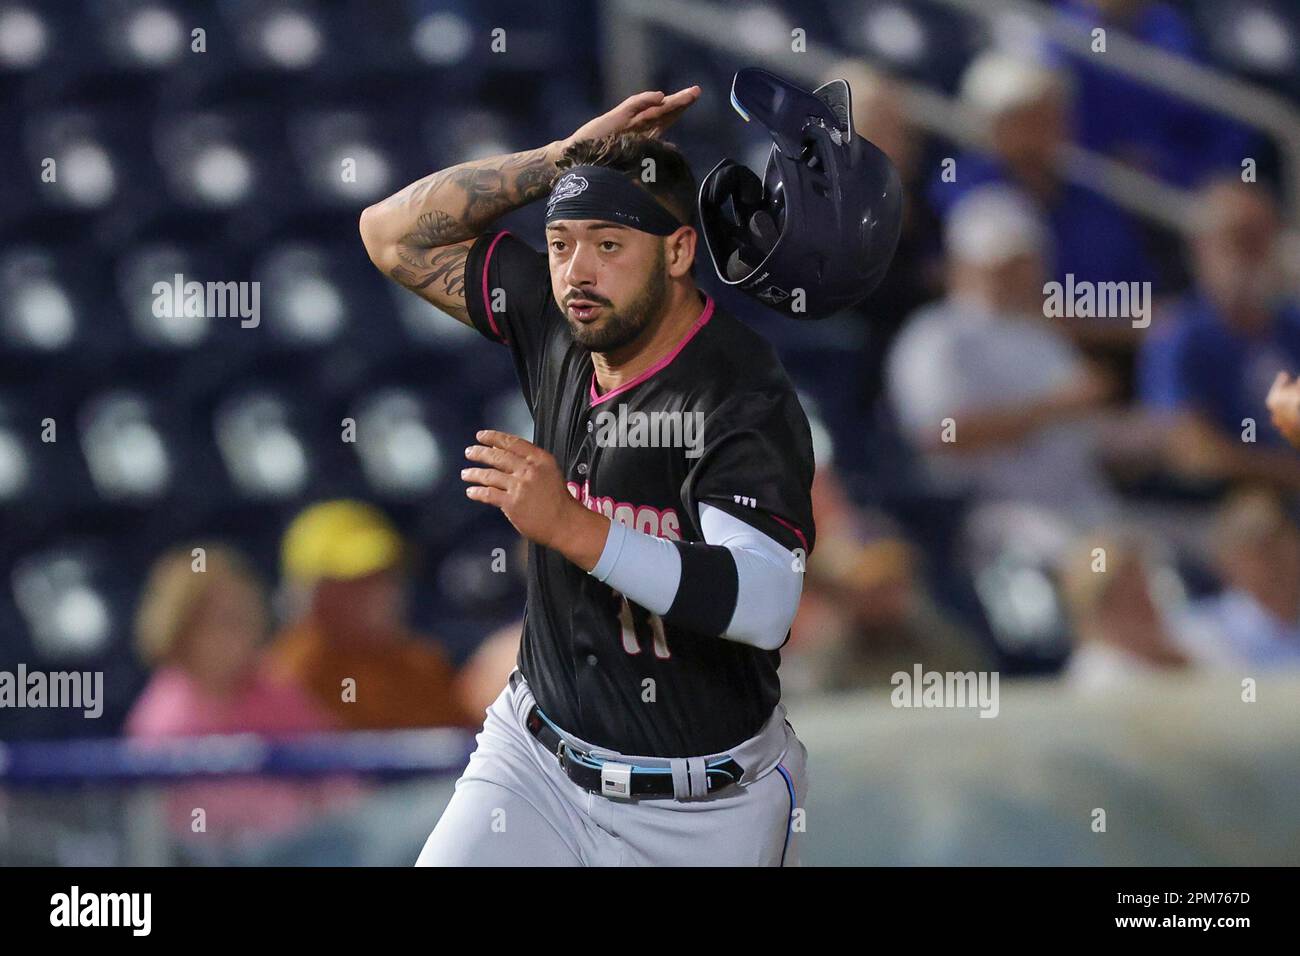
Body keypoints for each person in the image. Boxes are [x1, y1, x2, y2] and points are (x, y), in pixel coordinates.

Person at [360, 87, 814, 866]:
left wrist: (571, 527)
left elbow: (766, 601)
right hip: (534, 760)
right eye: (562, 242)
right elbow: (388, 235)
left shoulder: (740, 389)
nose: (576, 270)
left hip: (703, 808)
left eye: (609, 244)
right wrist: (558, 160)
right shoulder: (559, 317)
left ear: (677, 252)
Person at [887, 184, 1122, 562]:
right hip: (992, 515)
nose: (1015, 276)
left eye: (1023, 262)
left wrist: (1157, 437)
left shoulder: (1043, 337)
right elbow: (940, 434)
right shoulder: (934, 336)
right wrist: (1052, 408)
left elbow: (1091, 434)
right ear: (964, 265)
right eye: (1001, 264)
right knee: (1090, 563)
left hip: (1085, 504)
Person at [126, 545, 340, 840]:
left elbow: (337, 777)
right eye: (225, 621)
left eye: (247, 619)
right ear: (183, 626)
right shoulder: (163, 717)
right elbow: (188, 829)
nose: (242, 635)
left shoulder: (274, 689)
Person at [1137, 179, 1300, 491]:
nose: (1254, 253)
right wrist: (1286, 473)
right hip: (1234, 505)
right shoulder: (1180, 334)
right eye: (1240, 238)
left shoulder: (1292, 324)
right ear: (1203, 246)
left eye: (1264, 237)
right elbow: (1192, 452)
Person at [268, 500, 473, 730]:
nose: (378, 594)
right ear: (310, 595)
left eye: (384, 576)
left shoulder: (421, 666)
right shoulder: (291, 676)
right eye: (352, 582)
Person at [1175, 490, 1300, 669]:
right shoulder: (1197, 633)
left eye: (1282, 545)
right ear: (1226, 562)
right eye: (1260, 550)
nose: (1275, 562)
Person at [1057, 531, 1188, 691]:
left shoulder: (1185, 646)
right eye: (1131, 597)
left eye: (1144, 589)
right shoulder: (1100, 674)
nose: (1147, 605)